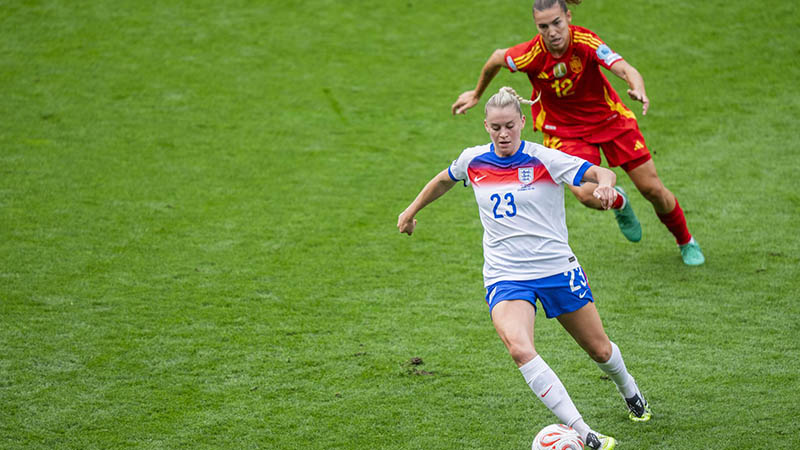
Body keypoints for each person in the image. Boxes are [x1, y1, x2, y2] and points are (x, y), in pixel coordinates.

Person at [398, 88, 651, 450]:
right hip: (506, 275)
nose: (503, 134)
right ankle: (585, 433)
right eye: (496, 127)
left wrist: (608, 188)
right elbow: (443, 179)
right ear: (486, 126)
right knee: (519, 349)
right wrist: (411, 211)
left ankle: (631, 392)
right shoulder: (473, 161)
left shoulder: (545, 158)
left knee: (599, 350)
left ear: (522, 123)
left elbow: (601, 173)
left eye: (510, 126)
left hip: (555, 269)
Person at [451, 0, 705, 266]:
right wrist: (476, 94)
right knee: (585, 194)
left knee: (652, 189)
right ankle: (620, 201)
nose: (552, 32)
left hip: (610, 121)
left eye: (557, 23)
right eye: (543, 27)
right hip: (565, 132)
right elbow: (496, 58)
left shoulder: (585, 42)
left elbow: (624, 68)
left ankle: (686, 240)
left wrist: (637, 87)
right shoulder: (530, 54)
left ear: (568, 17)